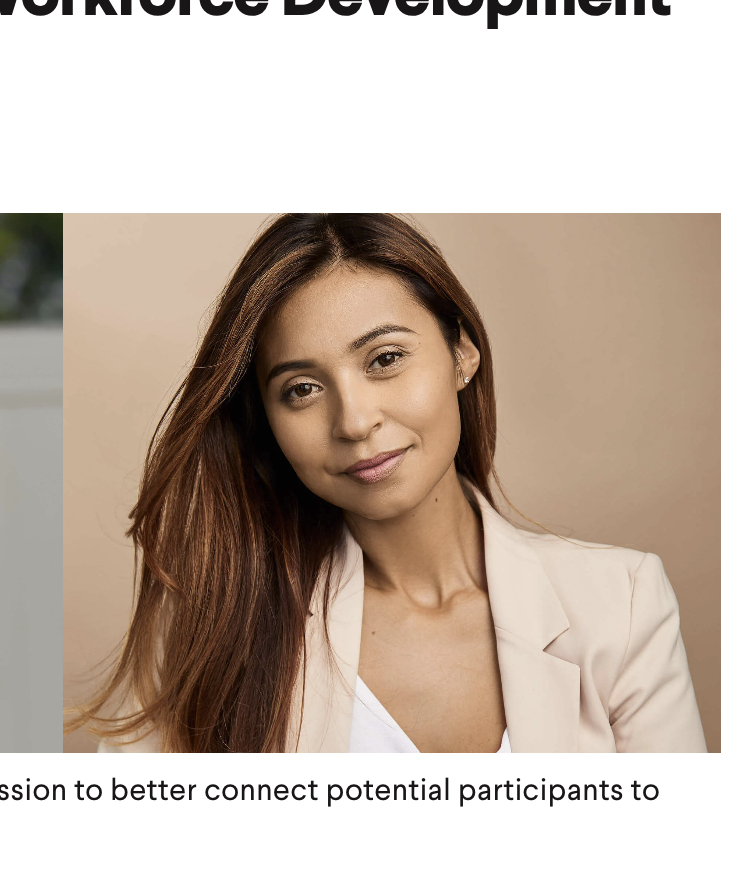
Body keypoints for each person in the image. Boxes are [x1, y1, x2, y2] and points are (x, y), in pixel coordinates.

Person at [76, 213, 705, 752]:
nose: (353, 421)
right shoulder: (207, 631)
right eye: (302, 389)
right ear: (266, 420)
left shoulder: (620, 605)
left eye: (385, 359)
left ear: (462, 353)